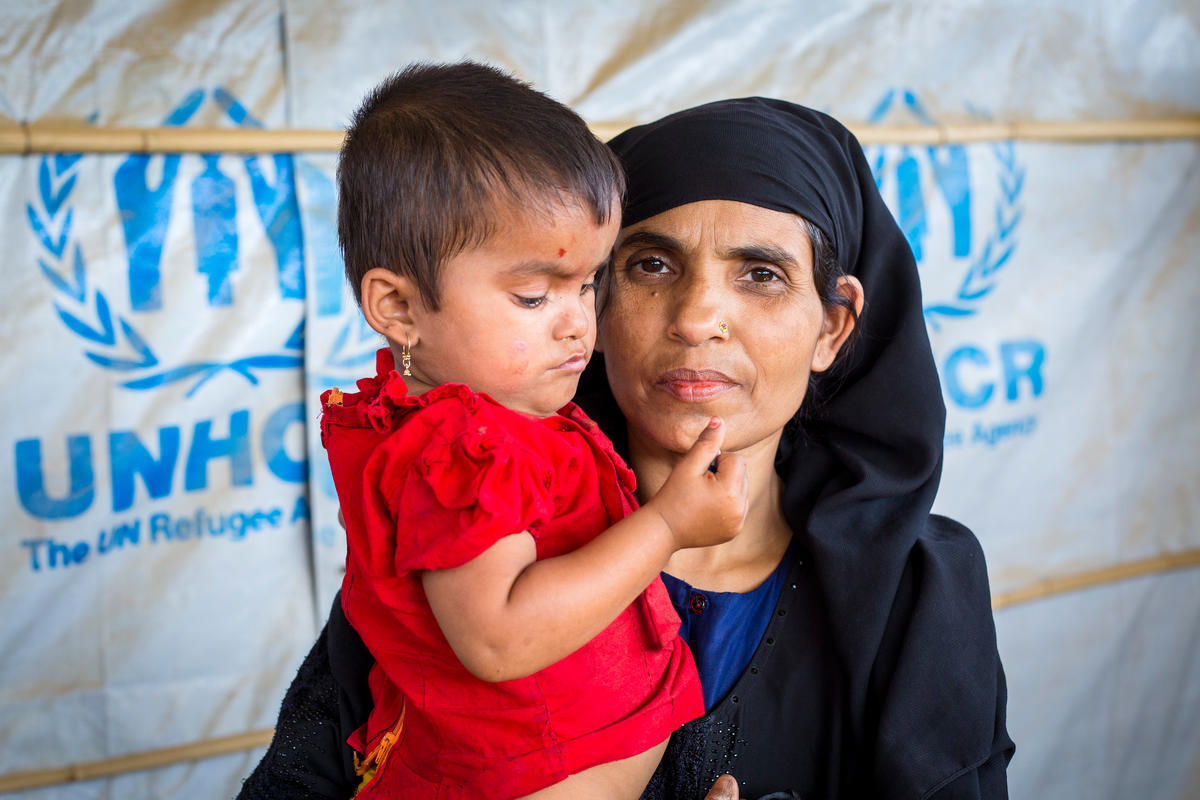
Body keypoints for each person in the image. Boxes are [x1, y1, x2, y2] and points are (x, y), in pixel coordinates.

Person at [240, 95, 1012, 800]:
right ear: (599, 305)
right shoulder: (461, 549)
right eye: (651, 265)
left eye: (761, 274)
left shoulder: (920, 596)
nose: (696, 318)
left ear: (832, 330)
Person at [312, 62, 749, 800]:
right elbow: (499, 637)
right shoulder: (461, 448)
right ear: (398, 308)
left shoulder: (511, 421)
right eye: (533, 295)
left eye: (589, 283)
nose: (578, 322)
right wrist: (668, 525)